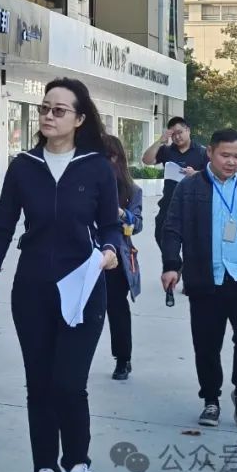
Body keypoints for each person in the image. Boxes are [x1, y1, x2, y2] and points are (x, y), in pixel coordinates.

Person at [0, 78, 122, 472]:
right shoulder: (23, 166)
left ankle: (76, 468)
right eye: (44, 108)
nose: (48, 116)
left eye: (59, 110)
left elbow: (110, 224)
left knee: (69, 384)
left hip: (83, 290)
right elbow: (2, 227)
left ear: (79, 119)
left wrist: (110, 249)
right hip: (33, 290)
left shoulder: (96, 167)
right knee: (38, 385)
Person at [161, 129, 237, 430]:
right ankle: (210, 399)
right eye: (225, 155)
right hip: (206, 280)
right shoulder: (190, 188)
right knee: (206, 345)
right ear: (210, 153)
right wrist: (171, 265)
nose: (231, 162)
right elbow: (172, 228)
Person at [98, 134, 143, 381]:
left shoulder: (131, 190)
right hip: (85, 254)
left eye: (104, 157)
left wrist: (122, 214)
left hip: (117, 257)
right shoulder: (84, 183)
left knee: (116, 308)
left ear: (116, 158)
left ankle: (123, 358)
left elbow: (138, 225)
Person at [142, 117, 209, 249]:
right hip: (169, 206)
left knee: (193, 248)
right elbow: (147, 160)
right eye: (173, 134)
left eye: (180, 132)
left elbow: (214, 176)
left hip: (193, 207)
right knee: (162, 238)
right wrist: (159, 141)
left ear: (188, 130)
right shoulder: (166, 151)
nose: (177, 137)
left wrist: (196, 174)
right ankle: (173, 262)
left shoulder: (202, 152)